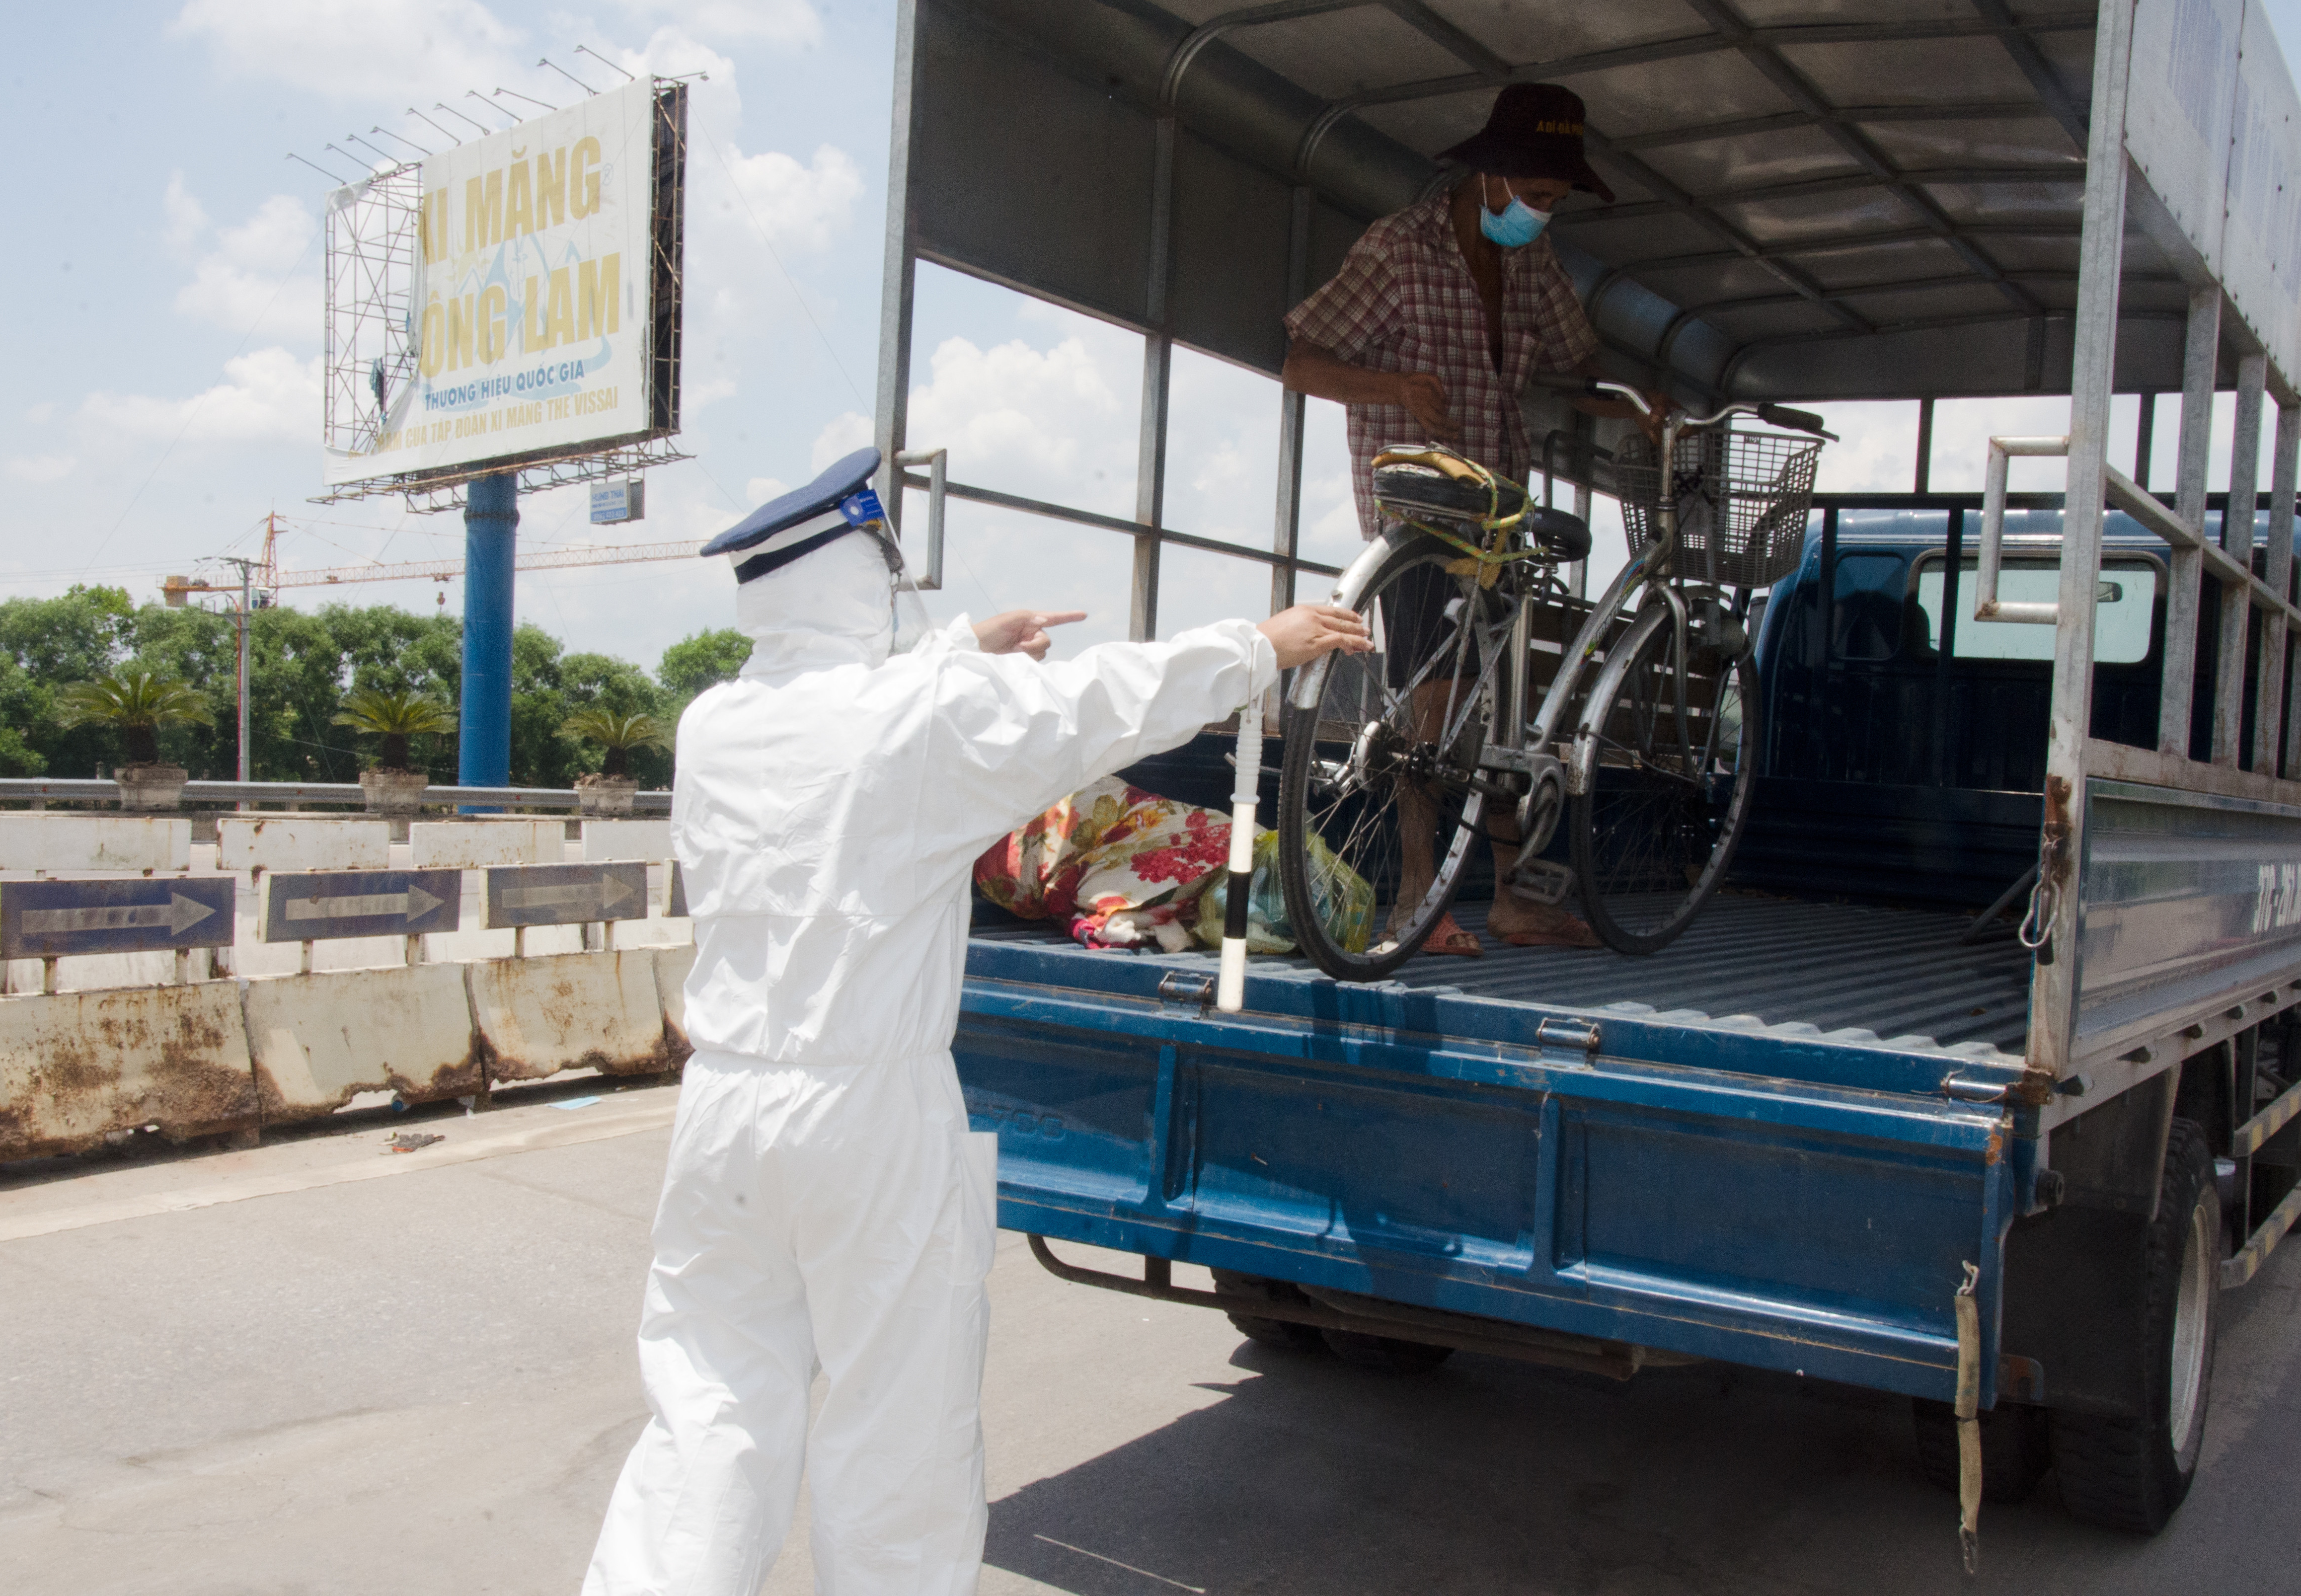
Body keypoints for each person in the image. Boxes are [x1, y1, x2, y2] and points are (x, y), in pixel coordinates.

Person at [581, 446, 1370, 1596]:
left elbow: (852, 707)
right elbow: (1101, 703)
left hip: (723, 1111)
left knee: (707, 1404)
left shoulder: (715, 723)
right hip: (868, 1109)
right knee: (898, 1424)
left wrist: (960, 652)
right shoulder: (921, 715)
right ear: (866, 570)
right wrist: (1260, 646)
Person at [1282, 81, 1664, 954]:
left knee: (1492, 706)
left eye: (1555, 200)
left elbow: (1571, 371)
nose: (1542, 213)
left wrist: (1634, 404)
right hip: (1418, 516)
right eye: (1534, 195)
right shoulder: (1399, 249)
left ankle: (1513, 900)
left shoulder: (1531, 263)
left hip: (1498, 515)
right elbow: (1303, 360)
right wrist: (1395, 390)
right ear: (1487, 176)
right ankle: (1420, 896)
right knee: (1436, 702)